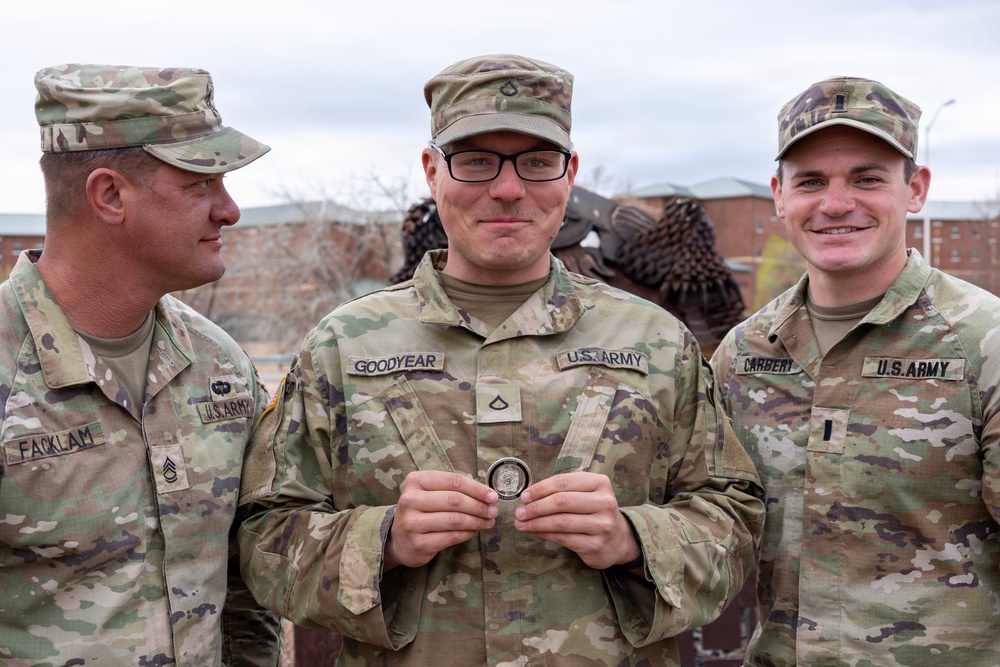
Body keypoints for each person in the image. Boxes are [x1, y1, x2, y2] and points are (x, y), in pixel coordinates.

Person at [238, 53, 764, 666]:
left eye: (537, 162)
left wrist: (633, 538)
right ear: (433, 171)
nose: (508, 189)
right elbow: (261, 541)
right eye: (476, 161)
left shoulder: (658, 343)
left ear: (570, 174)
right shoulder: (343, 345)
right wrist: (383, 540)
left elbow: (736, 521)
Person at [711, 76, 1000, 665]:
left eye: (867, 178)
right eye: (811, 182)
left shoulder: (983, 343)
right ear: (779, 196)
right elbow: (708, 522)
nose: (835, 204)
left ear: (915, 190)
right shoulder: (743, 353)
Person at [0, 64, 281, 665]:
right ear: (110, 196)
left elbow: (241, 588)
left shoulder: (216, 361)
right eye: (200, 185)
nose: (229, 211)